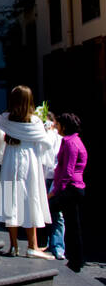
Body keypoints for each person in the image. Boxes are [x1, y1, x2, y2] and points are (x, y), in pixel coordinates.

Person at [0, 85, 55, 258]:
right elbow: (47, 143)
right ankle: (32, 245)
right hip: (30, 160)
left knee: (12, 199)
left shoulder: (6, 118)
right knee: (30, 198)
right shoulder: (34, 122)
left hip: (11, 158)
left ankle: (13, 246)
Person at [48, 113, 88, 271]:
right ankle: (75, 259)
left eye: (58, 125)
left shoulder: (70, 143)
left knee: (71, 225)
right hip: (73, 187)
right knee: (73, 225)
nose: (56, 127)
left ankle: (75, 260)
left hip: (71, 188)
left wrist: (55, 192)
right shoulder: (73, 141)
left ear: (64, 126)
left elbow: (67, 172)